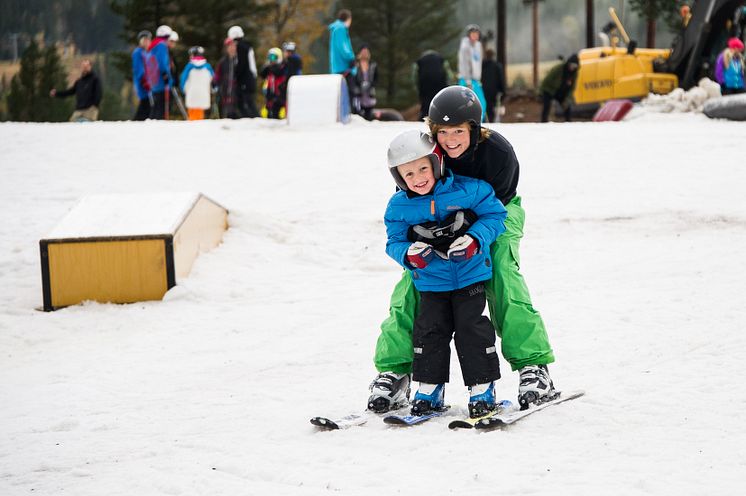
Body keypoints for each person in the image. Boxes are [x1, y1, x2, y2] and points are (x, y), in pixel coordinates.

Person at [368, 86, 556, 413]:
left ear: (474, 128)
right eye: (443, 132)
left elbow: (497, 210)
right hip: (441, 219)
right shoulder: (421, 156)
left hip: (495, 212)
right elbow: (410, 206)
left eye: (459, 131)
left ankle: (533, 365)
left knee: (499, 271)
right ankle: (395, 371)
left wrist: (474, 234)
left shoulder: (498, 154)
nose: (451, 139)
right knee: (414, 282)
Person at [384, 130, 507, 416]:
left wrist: (476, 239)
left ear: (437, 163)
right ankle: (428, 387)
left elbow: (496, 216)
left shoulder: (470, 190)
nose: (418, 178)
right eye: (409, 174)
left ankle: (482, 387)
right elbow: (394, 241)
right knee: (429, 332)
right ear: (399, 177)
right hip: (431, 283)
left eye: (423, 168)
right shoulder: (399, 206)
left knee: (472, 329)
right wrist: (408, 255)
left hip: (470, 276)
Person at [227, 25, 259, 118]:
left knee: (247, 101)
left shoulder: (241, 47)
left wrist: (235, 75)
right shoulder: (246, 46)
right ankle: (248, 118)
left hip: (245, 79)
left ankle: (253, 118)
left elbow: (242, 64)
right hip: (249, 78)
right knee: (243, 101)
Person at [457, 24, 487, 122]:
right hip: (466, 80)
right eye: (473, 33)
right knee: (467, 103)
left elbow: (478, 63)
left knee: (481, 103)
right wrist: (468, 81)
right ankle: (466, 123)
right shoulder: (465, 47)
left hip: (475, 80)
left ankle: (477, 123)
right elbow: (464, 64)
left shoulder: (477, 46)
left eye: (477, 33)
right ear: (469, 35)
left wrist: (478, 79)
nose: (475, 35)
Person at [413, 50, 453, 121]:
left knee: (426, 103)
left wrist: (417, 88)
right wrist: (449, 86)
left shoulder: (420, 61)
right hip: (440, 84)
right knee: (440, 102)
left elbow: (414, 76)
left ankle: (424, 118)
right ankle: (442, 118)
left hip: (424, 84)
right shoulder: (441, 60)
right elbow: (449, 74)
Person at [539, 54, 579, 123]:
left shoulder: (574, 73)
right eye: (572, 65)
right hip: (549, 90)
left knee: (567, 105)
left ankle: (568, 123)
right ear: (568, 63)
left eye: (575, 66)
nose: (573, 67)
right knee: (547, 106)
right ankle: (543, 122)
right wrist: (540, 92)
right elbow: (547, 80)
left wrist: (568, 98)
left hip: (561, 92)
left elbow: (572, 88)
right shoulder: (559, 68)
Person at [145, 24, 174, 119]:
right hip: (161, 80)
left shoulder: (153, 46)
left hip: (153, 79)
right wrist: (166, 74)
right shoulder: (161, 46)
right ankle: (158, 123)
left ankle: (154, 122)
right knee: (163, 105)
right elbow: (162, 62)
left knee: (157, 104)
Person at [179, 46, 214, 120]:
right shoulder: (208, 67)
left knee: (192, 114)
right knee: (200, 114)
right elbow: (213, 80)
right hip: (204, 94)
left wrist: (183, 89)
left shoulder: (189, 66)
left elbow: (183, 79)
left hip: (191, 94)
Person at [350, 44, 377, 120]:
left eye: (366, 52)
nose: (365, 54)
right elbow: (352, 77)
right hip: (358, 93)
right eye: (363, 52)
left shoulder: (373, 65)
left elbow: (376, 78)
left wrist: (370, 85)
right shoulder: (355, 64)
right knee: (358, 113)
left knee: (369, 114)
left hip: (369, 93)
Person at [214, 37, 239, 119]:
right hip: (224, 91)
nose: (232, 48)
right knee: (224, 112)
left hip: (236, 91)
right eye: (229, 46)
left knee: (235, 113)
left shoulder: (239, 61)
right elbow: (217, 75)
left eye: (233, 46)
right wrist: (215, 83)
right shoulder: (223, 62)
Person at [259, 47, 287, 119]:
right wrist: (267, 66)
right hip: (270, 94)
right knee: (267, 113)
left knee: (278, 113)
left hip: (280, 96)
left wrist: (271, 67)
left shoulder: (282, 67)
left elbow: (278, 72)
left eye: (273, 57)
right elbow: (262, 74)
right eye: (270, 57)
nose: (272, 60)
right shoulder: (269, 68)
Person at [131, 30, 152, 120]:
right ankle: (137, 123)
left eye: (148, 40)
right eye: (144, 40)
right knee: (145, 104)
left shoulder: (147, 52)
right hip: (143, 83)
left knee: (147, 106)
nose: (147, 42)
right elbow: (139, 69)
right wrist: (144, 81)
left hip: (150, 83)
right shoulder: (138, 52)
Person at [481, 48, 506, 123]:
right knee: (492, 108)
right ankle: (491, 122)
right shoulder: (497, 66)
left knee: (484, 105)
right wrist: (503, 91)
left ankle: (484, 120)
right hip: (494, 91)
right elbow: (501, 79)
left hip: (483, 89)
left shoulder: (482, 66)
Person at [328, 9, 355, 75]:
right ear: (349, 18)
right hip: (344, 67)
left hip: (338, 67)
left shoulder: (336, 28)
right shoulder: (340, 29)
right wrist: (351, 58)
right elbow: (342, 47)